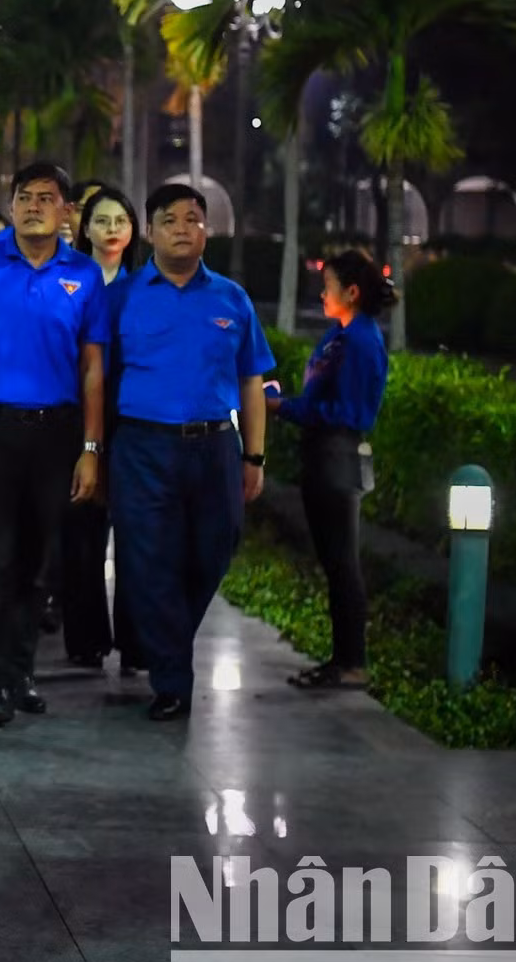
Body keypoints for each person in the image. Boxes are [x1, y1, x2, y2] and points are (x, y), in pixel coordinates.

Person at [102, 183, 274, 721]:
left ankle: (167, 644)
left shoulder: (231, 298)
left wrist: (255, 457)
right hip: (142, 445)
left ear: (207, 230)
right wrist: (94, 450)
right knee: (149, 562)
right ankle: (172, 679)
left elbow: (252, 382)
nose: (182, 228)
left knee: (214, 551)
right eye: (170, 219)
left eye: (193, 219)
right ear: (150, 231)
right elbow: (98, 377)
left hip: (215, 446)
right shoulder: (122, 296)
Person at [0, 162, 107, 728]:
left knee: (41, 563)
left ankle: (22, 671)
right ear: (11, 205)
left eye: (47, 198)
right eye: (24, 197)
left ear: (66, 211)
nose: (34, 206)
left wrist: (91, 447)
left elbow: (92, 369)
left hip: (57, 432)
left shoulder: (84, 276)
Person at [274, 249, 391, 691]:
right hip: (324, 457)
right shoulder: (343, 334)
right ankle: (342, 660)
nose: (322, 293)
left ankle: (352, 663)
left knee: (342, 563)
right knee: (335, 563)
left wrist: (283, 406)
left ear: (352, 292)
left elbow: (349, 410)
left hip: (337, 459)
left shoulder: (360, 340)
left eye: (328, 286)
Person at [61, 186, 141, 671]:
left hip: (130, 418)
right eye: (103, 220)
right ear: (85, 228)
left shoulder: (143, 287)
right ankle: (86, 637)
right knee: (81, 532)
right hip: (75, 414)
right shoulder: (70, 279)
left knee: (134, 533)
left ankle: (135, 642)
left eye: (120, 221)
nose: (112, 229)